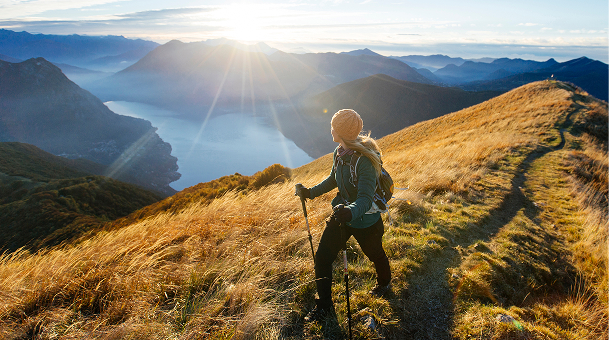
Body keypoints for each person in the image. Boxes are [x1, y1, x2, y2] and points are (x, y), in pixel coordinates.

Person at [295, 109, 392, 322]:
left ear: (341, 132)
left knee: (375, 254)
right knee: (322, 257)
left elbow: (366, 199)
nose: (331, 130)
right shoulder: (339, 152)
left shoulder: (364, 161)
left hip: (365, 220)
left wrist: (351, 211)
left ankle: (385, 283)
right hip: (342, 217)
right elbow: (333, 179)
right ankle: (324, 306)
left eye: (334, 127)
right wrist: (310, 192)